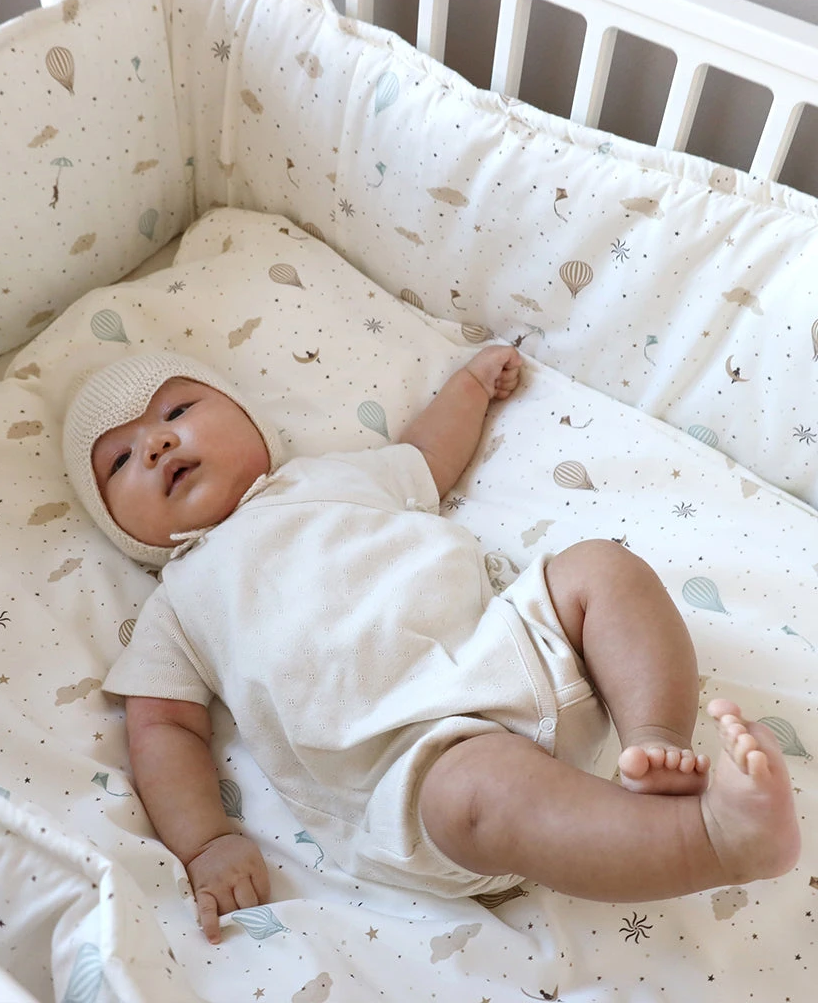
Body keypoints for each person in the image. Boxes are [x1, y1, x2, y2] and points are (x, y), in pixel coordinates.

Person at [63, 346, 800, 945]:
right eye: (119, 461)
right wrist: (204, 842)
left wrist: (470, 387)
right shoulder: (177, 602)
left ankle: (654, 741)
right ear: (120, 529)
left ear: (249, 420)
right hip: (417, 758)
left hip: (513, 644)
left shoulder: (331, 475)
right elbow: (164, 729)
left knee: (600, 569)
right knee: (479, 795)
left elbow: (424, 454)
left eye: (178, 411)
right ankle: (711, 840)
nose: (156, 442)